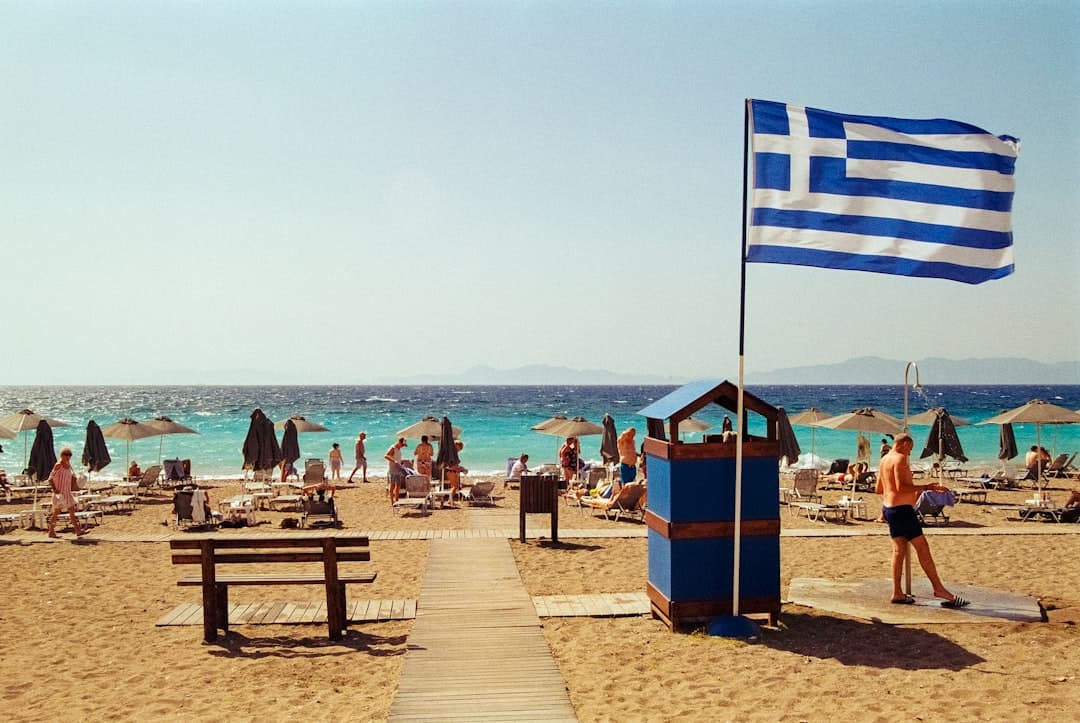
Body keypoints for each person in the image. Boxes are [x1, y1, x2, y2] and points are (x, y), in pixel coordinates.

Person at [878, 432, 968, 608]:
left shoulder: (884, 460)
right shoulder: (900, 459)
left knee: (899, 551)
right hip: (902, 511)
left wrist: (899, 492)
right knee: (923, 548)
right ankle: (939, 589)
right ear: (904, 444)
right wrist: (927, 487)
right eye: (910, 448)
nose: (910, 453)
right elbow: (901, 487)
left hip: (889, 509)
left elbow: (879, 489)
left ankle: (897, 592)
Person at [47, 448, 85, 538]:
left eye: (69, 455)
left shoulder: (68, 465)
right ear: (62, 455)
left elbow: (72, 477)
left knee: (68, 511)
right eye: (66, 455)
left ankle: (76, 530)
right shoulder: (58, 465)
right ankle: (52, 530)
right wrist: (54, 489)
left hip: (67, 492)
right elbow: (50, 478)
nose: (68, 457)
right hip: (60, 493)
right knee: (58, 512)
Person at [384, 437, 408, 503]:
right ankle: (392, 501)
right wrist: (394, 461)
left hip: (398, 469)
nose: (402, 446)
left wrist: (401, 462)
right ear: (399, 442)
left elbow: (397, 457)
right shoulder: (393, 448)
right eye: (402, 445)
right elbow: (386, 456)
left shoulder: (399, 449)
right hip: (393, 470)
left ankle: (396, 500)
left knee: (398, 486)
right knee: (392, 485)